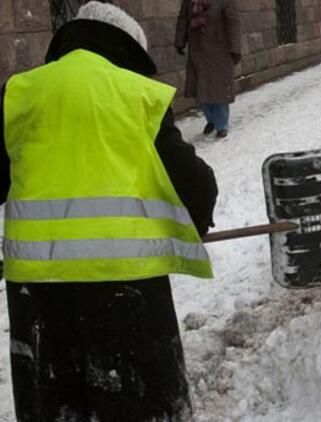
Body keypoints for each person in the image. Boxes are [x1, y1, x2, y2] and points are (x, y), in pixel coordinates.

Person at [0, 2, 218, 420]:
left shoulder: (19, 93)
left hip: (37, 292)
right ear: (128, 49)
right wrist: (197, 222)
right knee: (139, 404)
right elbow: (194, 184)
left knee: (57, 405)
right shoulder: (135, 93)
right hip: (128, 289)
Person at [175, 0, 242, 138]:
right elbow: (183, 19)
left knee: (219, 90)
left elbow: (233, 23)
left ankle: (221, 125)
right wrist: (180, 41)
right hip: (197, 51)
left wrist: (235, 48)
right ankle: (211, 120)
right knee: (200, 91)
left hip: (219, 50)